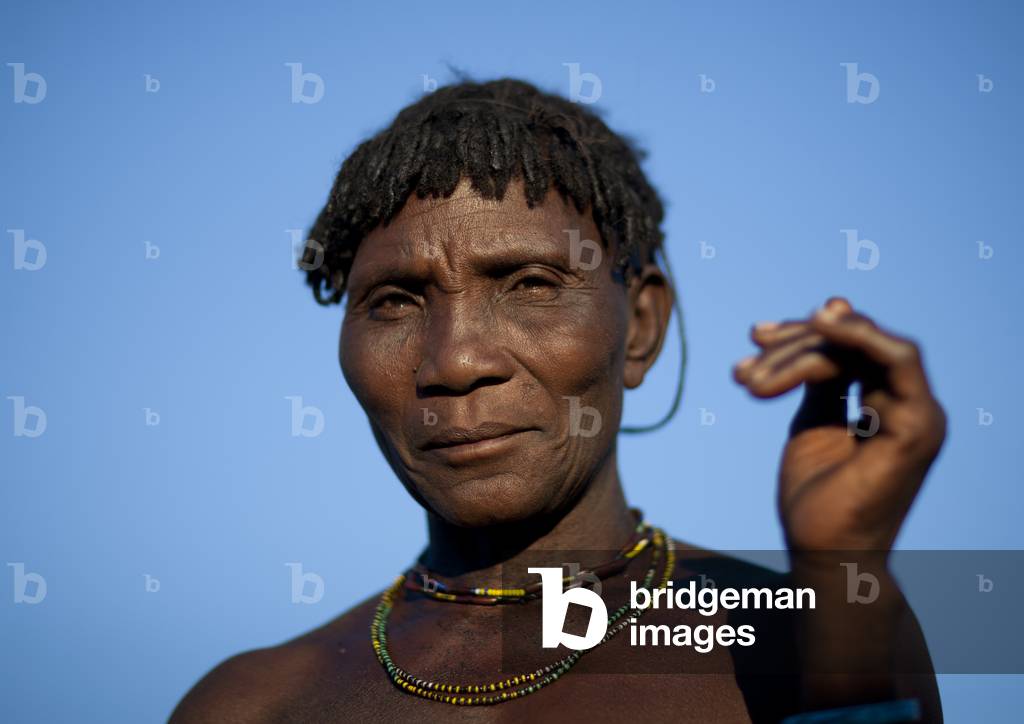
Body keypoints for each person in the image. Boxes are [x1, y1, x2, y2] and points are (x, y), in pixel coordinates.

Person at [170, 78, 947, 723]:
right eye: (395, 301)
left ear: (641, 327)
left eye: (532, 285)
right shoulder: (252, 704)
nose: (455, 362)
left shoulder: (810, 637)